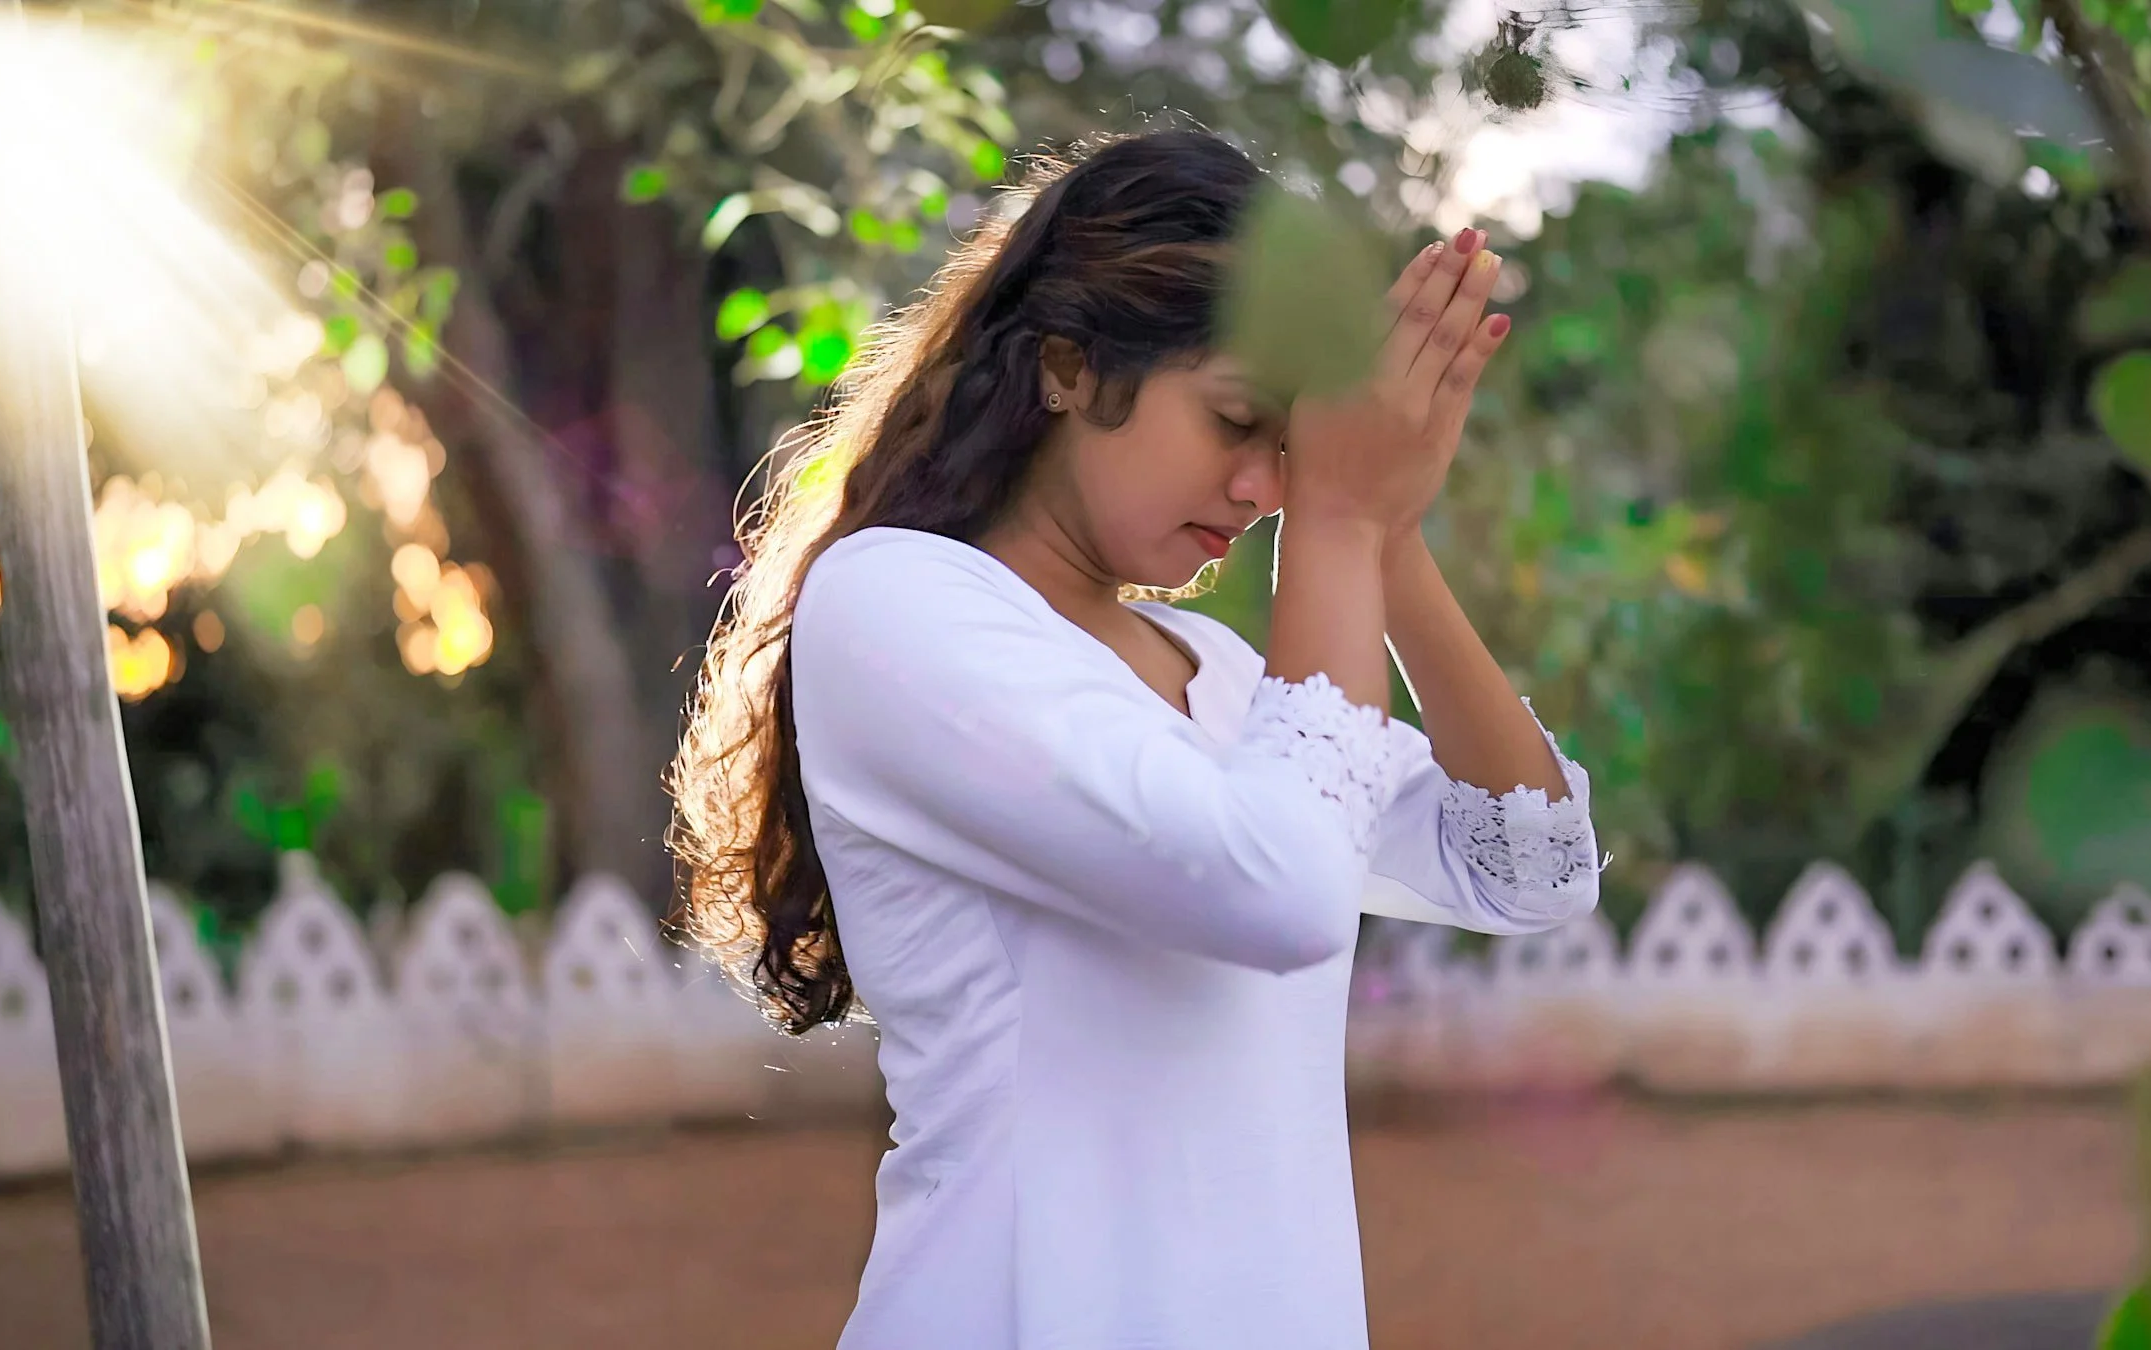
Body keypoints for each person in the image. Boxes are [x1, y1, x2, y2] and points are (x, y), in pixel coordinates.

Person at [668, 130, 1601, 1350]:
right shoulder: (898, 608)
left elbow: (1531, 870)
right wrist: (1337, 518)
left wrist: (1386, 536)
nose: (1268, 485)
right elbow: (1276, 894)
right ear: (1067, 366)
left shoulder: (1218, 674)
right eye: (1236, 421)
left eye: (1295, 446)